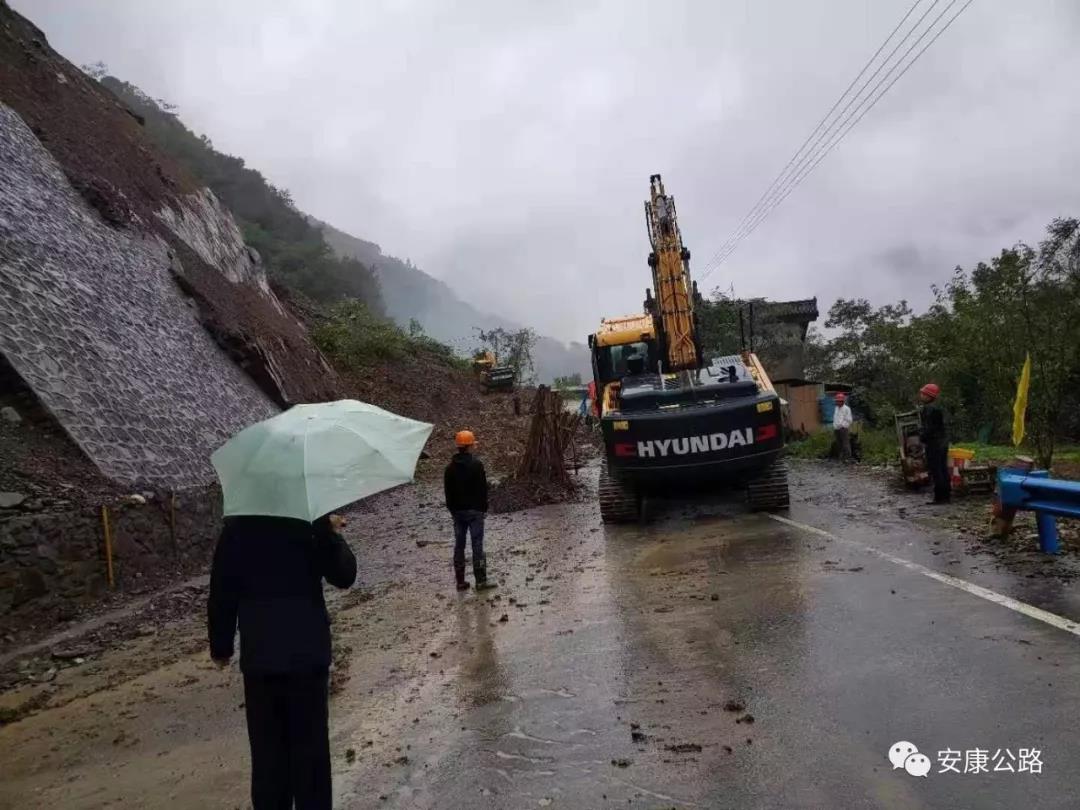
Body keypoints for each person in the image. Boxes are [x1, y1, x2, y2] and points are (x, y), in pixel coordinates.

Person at [208, 513, 356, 810]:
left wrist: (221, 646)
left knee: (267, 758)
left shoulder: (238, 526)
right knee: (311, 755)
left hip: (261, 657)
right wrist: (329, 532)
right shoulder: (310, 522)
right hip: (307, 655)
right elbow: (344, 575)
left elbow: (222, 588)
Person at [444, 430, 496, 592]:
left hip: (458, 513)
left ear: (458, 447)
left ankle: (460, 581)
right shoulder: (477, 465)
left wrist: (453, 511)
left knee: (459, 546)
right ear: (470, 446)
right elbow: (483, 489)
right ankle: (481, 581)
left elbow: (448, 493)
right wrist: (483, 508)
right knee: (477, 545)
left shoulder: (449, 468)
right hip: (475, 512)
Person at [918, 382, 950, 504]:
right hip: (943, 442)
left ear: (928, 396)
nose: (921, 395)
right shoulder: (938, 407)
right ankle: (946, 496)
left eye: (923, 393)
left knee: (936, 470)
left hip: (934, 443)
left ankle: (939, 498)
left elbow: (929, 428)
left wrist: (922, 437)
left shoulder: (929, 409)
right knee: (943, 469)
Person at [833, 392, 853, 462]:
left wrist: (843, 426)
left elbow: (849, 420)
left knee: (845, 443)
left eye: (838, 401)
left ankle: (847, 457)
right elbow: (835, 418)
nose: (837, 402)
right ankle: (841, 458)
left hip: (843, 429)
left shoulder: (846, 409)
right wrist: (835, 426)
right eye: (837, 401)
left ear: (842, 401)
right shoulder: (836, 408)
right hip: (836, 429)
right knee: (839, 444)